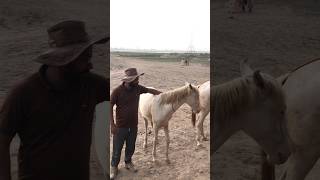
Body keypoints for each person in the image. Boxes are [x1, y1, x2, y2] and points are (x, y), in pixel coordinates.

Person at [0, 20, 109, 180]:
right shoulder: (23, 93)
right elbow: (2, 141)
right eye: (84, 59)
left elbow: (119, 91)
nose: (90, 65)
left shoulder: (90, 84)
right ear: (65, 61)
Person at [110, 68, 161, 179]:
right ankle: (114, 167)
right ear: (129, 80)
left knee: (131, 146)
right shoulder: (117, 91)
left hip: (133, 126)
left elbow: (149, 90)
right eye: (136, 79)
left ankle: (128, 162)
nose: (138, 80)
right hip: (120, 127)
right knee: (117, 148)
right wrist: (112, 125)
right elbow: (109, 106)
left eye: (138, 78)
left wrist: (164, 95)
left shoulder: (137, 88)